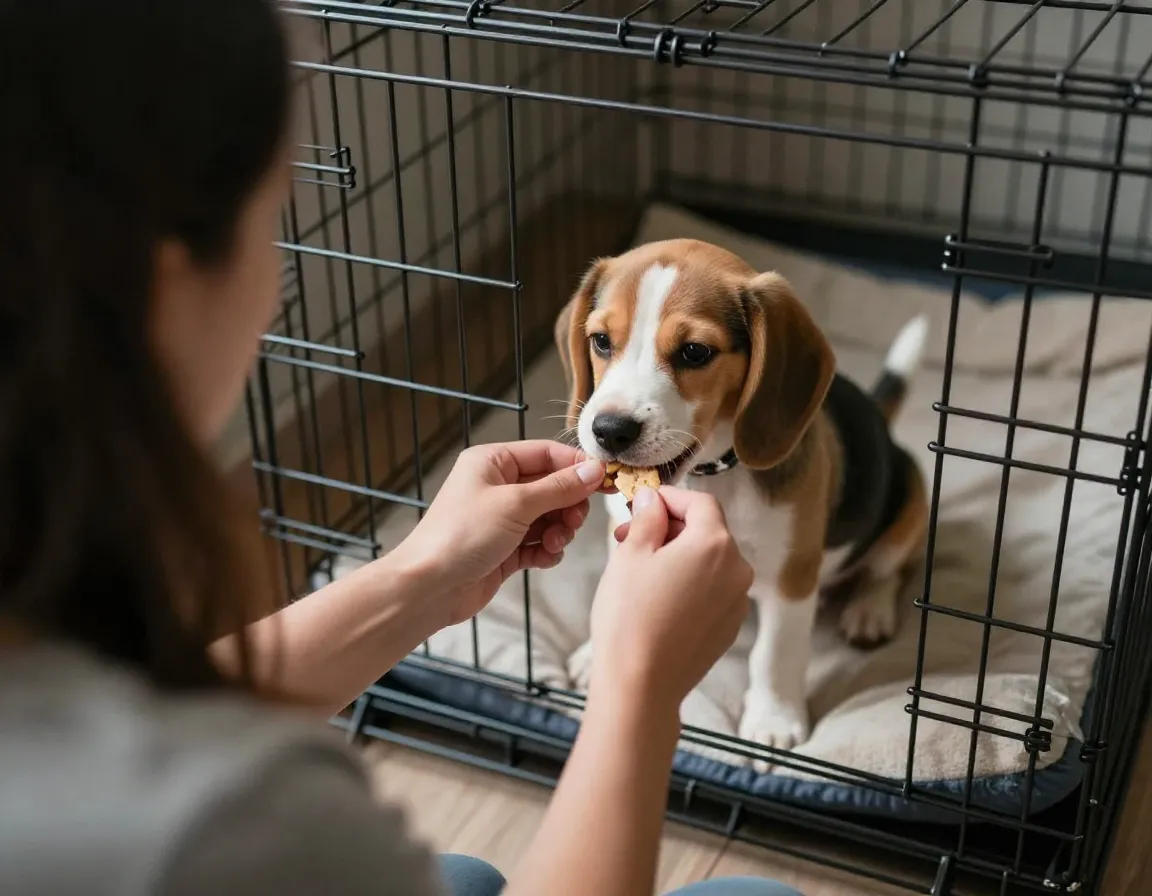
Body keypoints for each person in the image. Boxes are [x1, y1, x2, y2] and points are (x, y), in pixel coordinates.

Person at [0, 2, 803, 894]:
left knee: (457, 874)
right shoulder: (225, 817)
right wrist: (638, 678)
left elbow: (151, 713)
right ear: (162, 280)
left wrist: (416, 578)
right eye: (272, 222)